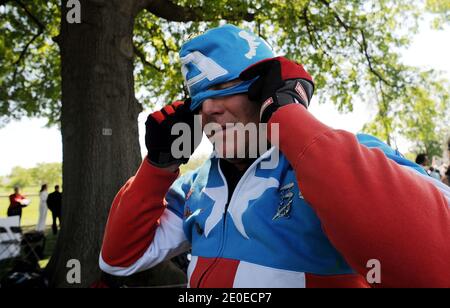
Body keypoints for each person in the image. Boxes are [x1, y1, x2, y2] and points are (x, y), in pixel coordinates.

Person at [99, 24, 450, 288]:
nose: (208, 109)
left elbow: (437, 264)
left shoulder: (352, 156)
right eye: (197, 98)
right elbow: (119, 260)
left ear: (266, 90)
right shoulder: (195, 186)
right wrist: (159, 166)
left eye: (224, 88)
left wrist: (289, 116)